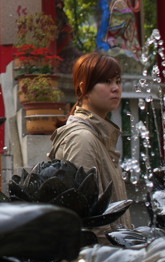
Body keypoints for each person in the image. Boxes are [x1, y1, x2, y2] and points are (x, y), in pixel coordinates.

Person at [48, 51, 132, 230]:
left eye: (117, 81)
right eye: (106, 82)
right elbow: (87, 218)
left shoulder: (99, 134)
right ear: (82, 88)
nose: (116, 88)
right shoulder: (82, 139)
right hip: (98, 255)